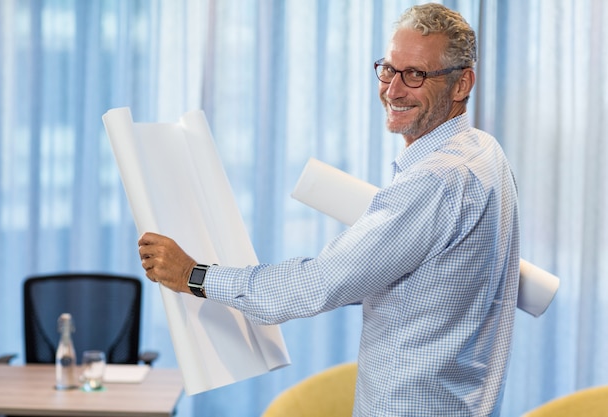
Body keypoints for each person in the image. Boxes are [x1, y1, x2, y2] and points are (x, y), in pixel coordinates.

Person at [138, 3, 519, 416]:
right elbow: (435, 282)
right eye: (389, 69)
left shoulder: (435, 180)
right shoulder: (485, 152)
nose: (392, 90)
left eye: (416, 75)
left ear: (462, 84)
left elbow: (317, 286)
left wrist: (194, 276)